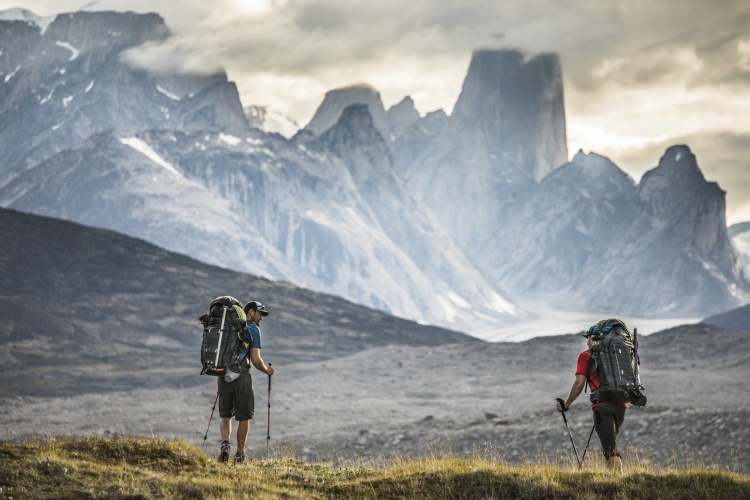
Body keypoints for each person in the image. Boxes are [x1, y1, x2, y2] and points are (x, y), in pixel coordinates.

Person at [556, 321, 627, 471]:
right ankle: (612, 483)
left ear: (592, 339)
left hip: (602, 405)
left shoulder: (586, 355)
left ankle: (621, 483)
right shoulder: (617, 353)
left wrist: (566, 404)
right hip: (621, 404)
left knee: (610, 448)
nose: (587, 342)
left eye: (587, 338)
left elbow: (579, 383)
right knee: (609, 445)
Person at [218, 300, 275, 463]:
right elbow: (256, 360)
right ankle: (239, 454)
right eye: (260, 313)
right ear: (250, 312)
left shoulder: (228, 327)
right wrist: (267, 371)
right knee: (244, 416)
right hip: (241, 376)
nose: (261, 317)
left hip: (224, 375)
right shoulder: (252, 329)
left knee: (226, 414)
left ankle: (225, 444)